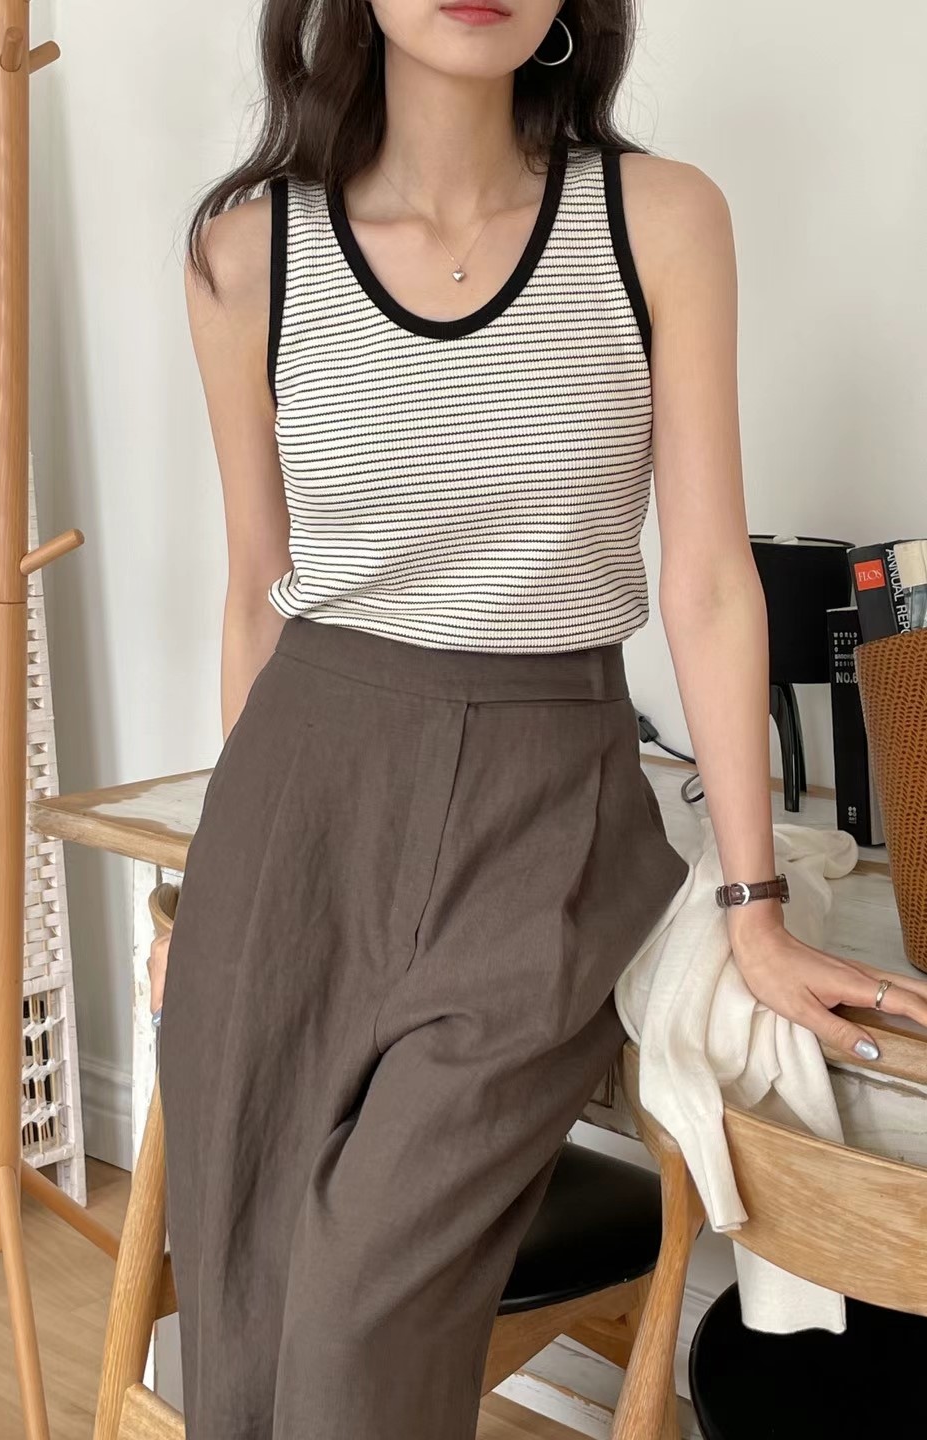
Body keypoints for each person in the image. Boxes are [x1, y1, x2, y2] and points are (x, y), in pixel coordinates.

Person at [153, 3, 927, 1436]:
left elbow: (706, 582)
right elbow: (258, 590)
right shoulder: (246, 253)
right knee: (244, 1314)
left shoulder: (658, 219)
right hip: (295, 800)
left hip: (547, 807)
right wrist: (215, 884)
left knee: (357, 1322)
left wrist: (754, 905)